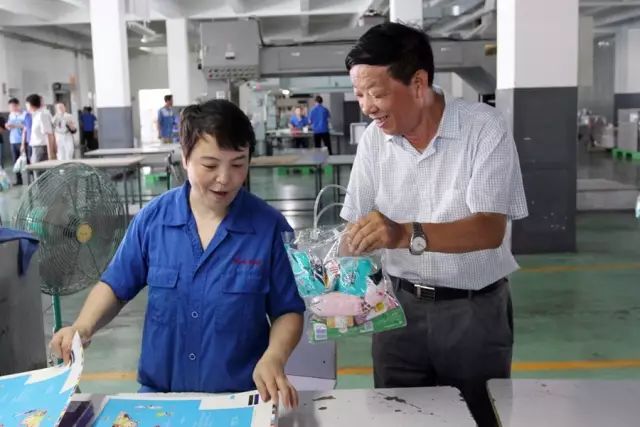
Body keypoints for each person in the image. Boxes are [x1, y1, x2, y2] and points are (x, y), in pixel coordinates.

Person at [50, 99, 305, 409]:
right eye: (210, 165)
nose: (225, 178)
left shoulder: (269, 228)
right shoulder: (153, 220)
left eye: (238, 164)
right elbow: (116, 285)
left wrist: (274, 356)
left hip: (241, 398)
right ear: (185, 158)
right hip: (160, 399)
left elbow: (287, 310)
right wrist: (82, 327)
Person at [340, 22, 528, 427]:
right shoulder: (374, 140)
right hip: (397, 311)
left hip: (473, 313)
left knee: (479, 415)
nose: (367, 107)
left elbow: (488, 228)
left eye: (376, 93)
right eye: (359, 94)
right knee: (398, 417)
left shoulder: (483, 128)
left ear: (418, 83)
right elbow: (356, 221)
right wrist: (330, 265)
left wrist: (404, 234)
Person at [25, 94, 55, 163]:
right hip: (35, 148)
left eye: (27, 105)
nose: (26, 107)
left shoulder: (42, 115)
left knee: (39, 169)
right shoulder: (35, 115)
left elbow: (48, 135)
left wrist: (50, 155)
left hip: (41, 148)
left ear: (30, 105)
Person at [5, 98, 25, 185]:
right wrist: (8, 126)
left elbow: (26, 126)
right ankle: (19, 180)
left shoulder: (24, 114)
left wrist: (16, 125)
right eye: (10, 107)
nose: (11, 108)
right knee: (15, 161)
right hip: (13, 140)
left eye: (13, 106)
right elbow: (10, 126)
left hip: (23, 141)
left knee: (26, 161)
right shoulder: (11, 115)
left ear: (18, 105)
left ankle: (31, 179)